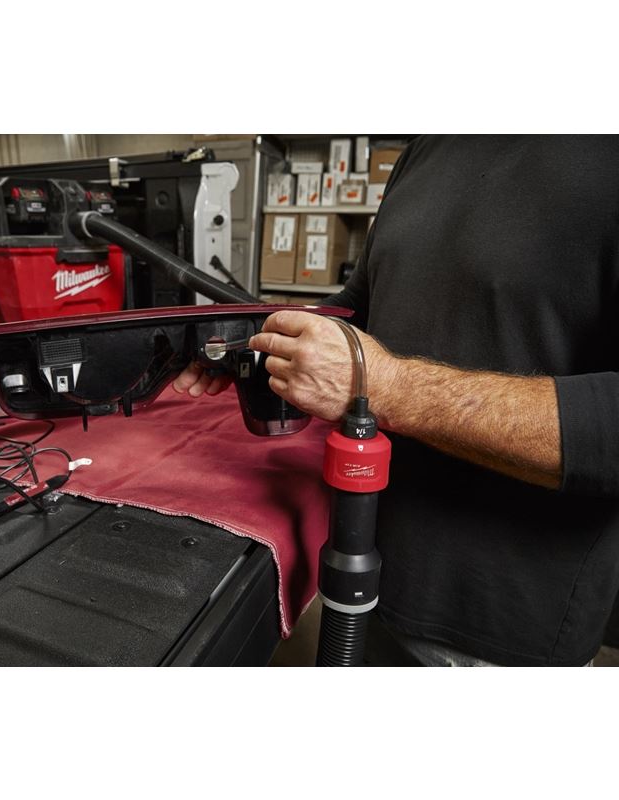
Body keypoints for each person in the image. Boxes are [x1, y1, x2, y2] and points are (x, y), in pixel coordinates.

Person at [175, 135, 619, 666]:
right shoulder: (430, 146)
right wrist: (256, 338)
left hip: (499, 632)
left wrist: (381, 385)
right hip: (368, 567)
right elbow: (361, 304)